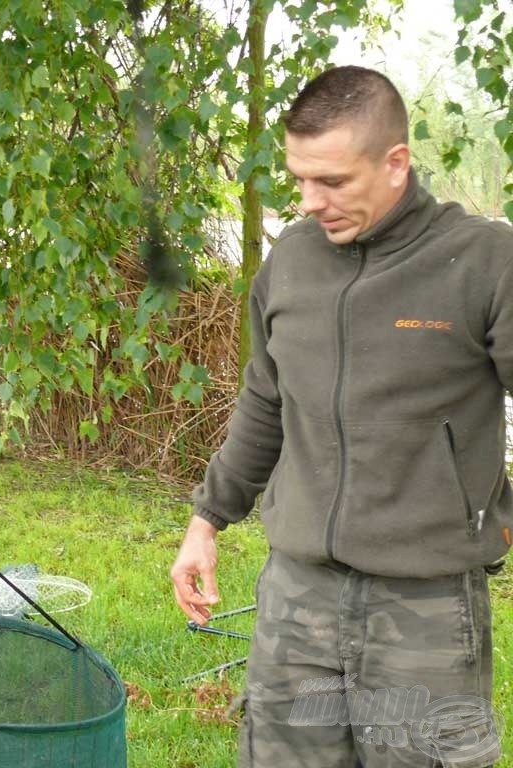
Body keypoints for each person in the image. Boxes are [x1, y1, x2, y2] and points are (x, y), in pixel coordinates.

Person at [170, 65, 510, 768]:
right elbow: (267, 399)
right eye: (299, 179)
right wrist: (206, 521)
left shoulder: (482, 262)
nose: (310, 201)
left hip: (424, 609)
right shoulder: (292, 261)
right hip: (297, 600)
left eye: (333, 181)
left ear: (395, 164)